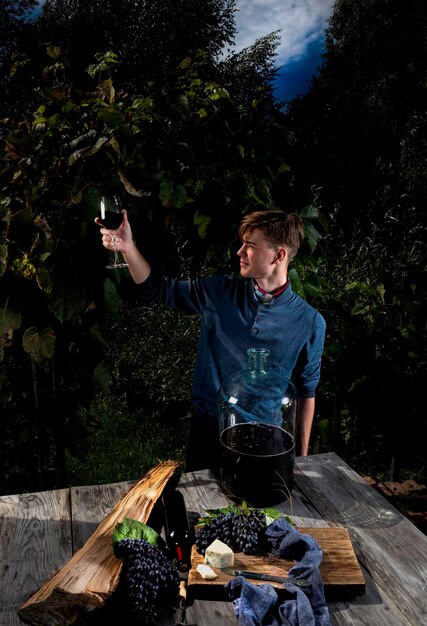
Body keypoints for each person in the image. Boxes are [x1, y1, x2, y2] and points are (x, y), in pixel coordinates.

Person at [96, 209, 326, 472]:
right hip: (207, 433)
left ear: (279, 255)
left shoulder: (309, 322)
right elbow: (157, 290)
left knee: (262, 511)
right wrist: (128, 248)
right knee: (202, 511)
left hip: (264, 441)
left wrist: (303, 460)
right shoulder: (219, 292)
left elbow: (307, 392)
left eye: (250, 246)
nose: (239, 252)